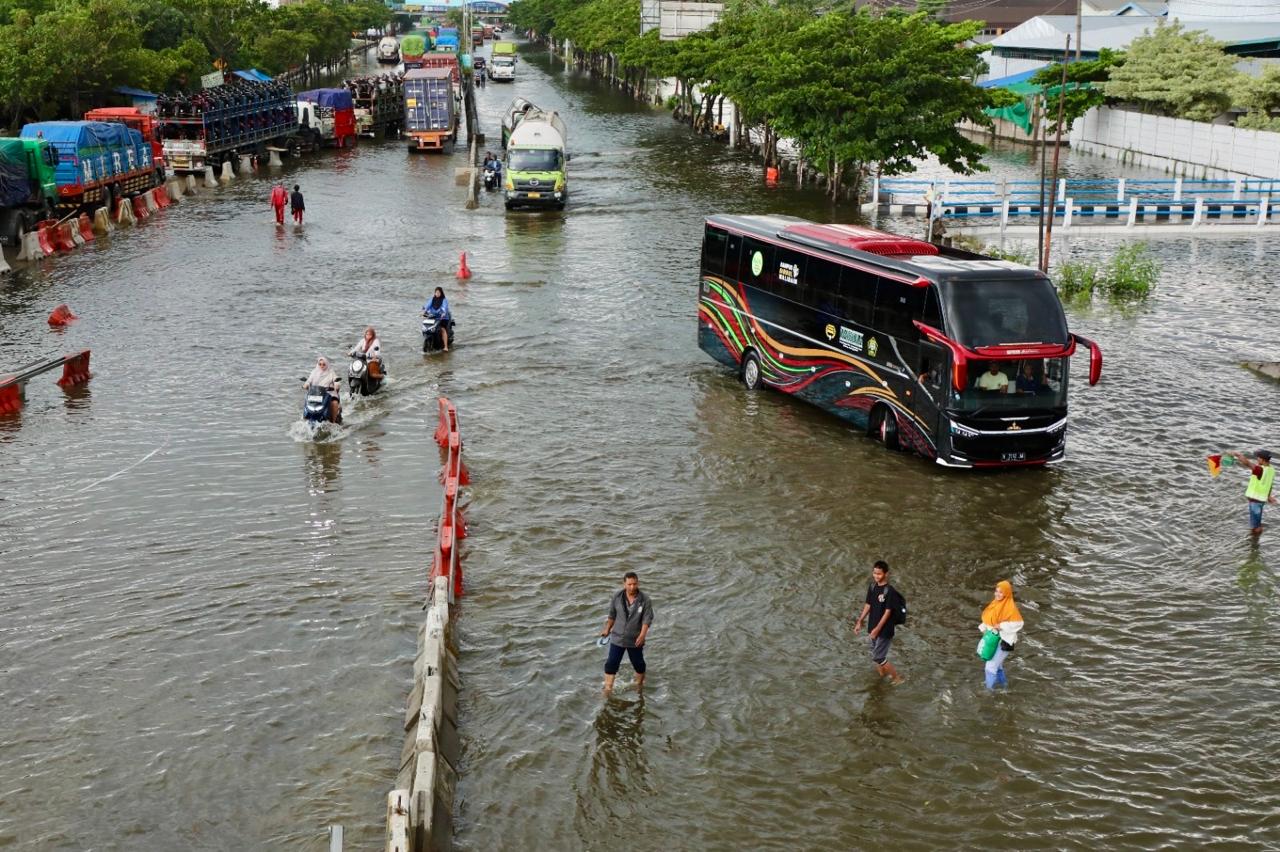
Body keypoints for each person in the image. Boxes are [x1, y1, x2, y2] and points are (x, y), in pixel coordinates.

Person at [599, 571, 653, 696]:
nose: (632, 587)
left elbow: (647, 619)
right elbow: (612, 615)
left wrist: (642, 635)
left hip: (635, 639)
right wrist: (607, 629)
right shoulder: (617, 597)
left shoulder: (645, 600)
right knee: (611, 663)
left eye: (634, 584)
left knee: (639, 664)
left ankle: (639, 685)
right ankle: (607, 690)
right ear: (624, 584)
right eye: (629, 584)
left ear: (638, 583)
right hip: (617, 637)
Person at [852, 560, 904, 685]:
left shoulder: (889, 591)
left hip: (884, 630)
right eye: (874, 573)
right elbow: (868, 605)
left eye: (879, 574)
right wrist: (860, 621)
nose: (876, 576)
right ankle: (881, 676)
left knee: (879, 657)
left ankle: (897, 678)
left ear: (886, 574)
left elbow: (888, 612)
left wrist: (877, 629)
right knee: (875, 656)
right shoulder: (872, 587)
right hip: (872, 626)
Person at [978, 580, 1024, 690]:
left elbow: (1019, 623)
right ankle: (1004, 688)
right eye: (996, 591)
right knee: (997, 667)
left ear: (1007, 594)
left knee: (990, 667)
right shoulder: (995, 604)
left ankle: (989, 692)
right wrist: (984, 628)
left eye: (1001, 592)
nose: (997, 594)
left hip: (1004, 642)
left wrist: (1001, 625)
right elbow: (989, 619)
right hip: (993, 640)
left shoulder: (1011, 608)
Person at [1230, 449, 1277, 535]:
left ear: (1263, 459)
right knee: (1257, 521)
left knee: (1255, 526)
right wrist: (1269, 496)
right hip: (1261, 500)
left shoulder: (1260, 470)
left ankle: (1254, 542)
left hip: (1255, 501)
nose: (1257, 459)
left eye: (1258, 458)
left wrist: (1238, 455)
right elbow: (1269, 484)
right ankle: (1256, 537)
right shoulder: (1271, 470)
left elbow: (1247, 463)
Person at [303, 356, 341, 422]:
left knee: (334, 403)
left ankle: (333, 422)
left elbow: (336, 379)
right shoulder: (314, 372)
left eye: (324, 364)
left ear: (327, 364)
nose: (322, 366)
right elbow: (309, 380)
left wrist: (336, 384)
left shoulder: (331, 372)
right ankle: (305, 418)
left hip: (329, 393)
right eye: (320, 364)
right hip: (316, 394)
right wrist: (306, 385)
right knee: (307, 402)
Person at [423, 287, 451, 352]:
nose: (437, 294)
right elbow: (427, 306)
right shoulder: (432, 299)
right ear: (434, 293)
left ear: (441, 293)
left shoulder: (444, 300)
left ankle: (446, 347)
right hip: (433, 316)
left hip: (443, 318)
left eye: (439, 293)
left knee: (442, 329)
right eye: (436, 292)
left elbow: (444, 307)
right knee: (426, 327)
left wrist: (443, 313)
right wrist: (424, 312)